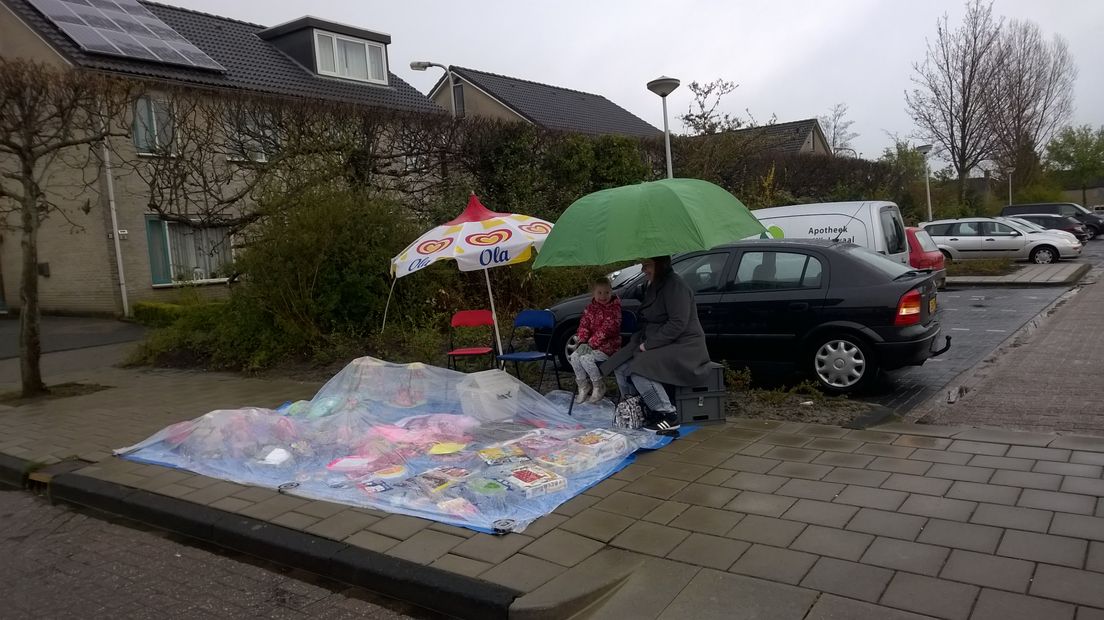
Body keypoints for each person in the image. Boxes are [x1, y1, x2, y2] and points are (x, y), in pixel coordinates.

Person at [601, 256, 711, 432]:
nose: (643, 270)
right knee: (621, 365)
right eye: (643, 265)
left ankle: (667, 414)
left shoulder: (676, 286)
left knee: (639, 368)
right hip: (660, 341)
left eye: (647, 265)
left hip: (685, 346)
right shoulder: (655, 283)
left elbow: (677, 324)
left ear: (660, 265)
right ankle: (636, 408)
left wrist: (649, 345)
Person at [570, 277, 622, 404]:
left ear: (611, 292)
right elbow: (584, 325)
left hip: (608, 347)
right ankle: (583, 385)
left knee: (585, 358)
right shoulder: (590, 308)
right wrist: (582, 342)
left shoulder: (614, 309)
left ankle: (599, 386)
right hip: (590, 345)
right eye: (599, 293)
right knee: (575, 356)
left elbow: (608, 329)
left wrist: (591, 343)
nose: (603, 296)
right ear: (593, 293)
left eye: (606, 293)